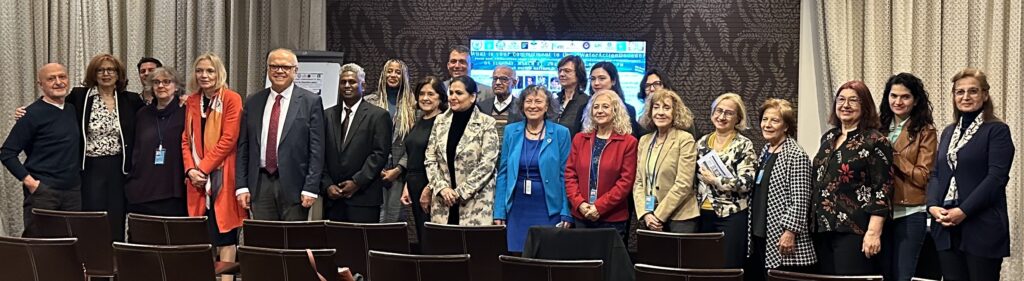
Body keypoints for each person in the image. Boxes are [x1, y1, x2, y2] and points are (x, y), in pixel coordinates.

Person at [927, 68, 1014, 281]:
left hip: (981, 226)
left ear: (984, 95)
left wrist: (963, 211)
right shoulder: (948, 131)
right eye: (960, 92)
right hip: (946, 226)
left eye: (973, 91)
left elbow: (996, 178)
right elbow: (937, 174)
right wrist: (932, 206)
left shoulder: (997, 130)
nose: (966, 97)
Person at [811, 80, 893, 275]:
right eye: (841, 100)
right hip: (822, 229)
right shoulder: (829, 138)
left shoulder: (875, 140)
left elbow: (883, 189)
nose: (845, 105)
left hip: (855, 230)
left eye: (853, 100)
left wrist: (873, 232)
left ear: (864, 106)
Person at [236, 48, 325, 221]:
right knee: (265, 242)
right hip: (260, 185)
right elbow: (244, 147)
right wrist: (241, 186)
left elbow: (317, 150)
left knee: (293, 242)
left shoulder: (310, 102)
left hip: (295, 186)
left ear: (295, 71)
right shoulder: (253, 101)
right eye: (274, 66)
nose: (279, 71)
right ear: (268, 70)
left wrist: (311, 187)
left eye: (285, 67)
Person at [181, 53, 246, 281]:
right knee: (204, 238)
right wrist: (191, 171)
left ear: (219, 73)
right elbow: (185, 140)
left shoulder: (231, 99)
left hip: (222, 177)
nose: (204, 75)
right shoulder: (191, 101)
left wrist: (203, 169)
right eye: (200, 71)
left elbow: (229, 139)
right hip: (197, 182)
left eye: (210, 71)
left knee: (226, 235)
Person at [67, 54, 144, 242]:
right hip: (91, 168)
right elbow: (55, 107)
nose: (106, 74)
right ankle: (93, 265)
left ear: (119, 74)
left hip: (119, 169)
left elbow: (153, 113)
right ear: (94, 74)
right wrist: (26, 111)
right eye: (100, 70)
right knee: (93, 217)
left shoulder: (130, 100)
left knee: (116, 217)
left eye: (111, 70)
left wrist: (181, 100)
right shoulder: (80, 97)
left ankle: (116, 264)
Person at [1, 63, 81, 237]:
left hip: (73, 193)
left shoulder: (72, 109)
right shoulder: (31, 114)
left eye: (62, 77)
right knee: (39, 247)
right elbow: (7, 153)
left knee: (71, 247)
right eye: (51, 79)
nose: (58, 82)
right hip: (43, 193)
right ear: (40, 85)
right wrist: (31, 183)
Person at [493, 85, 573, 252]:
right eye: (528, 101)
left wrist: (566, 211)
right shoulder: (511, 131)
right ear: (522, 105)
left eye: (538, 101)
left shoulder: (561, 133)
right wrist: (499, 211)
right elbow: (503, 174)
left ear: (547, 106)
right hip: (517, 209)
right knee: (518, 259)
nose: (533, 106)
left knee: (547, 257)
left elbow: (565, 175)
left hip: (549, 208)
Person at [745, 98, 816, 280]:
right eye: (765, 119)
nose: (767, 125)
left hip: (782, 237)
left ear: (786, 126)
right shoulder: (766, 151)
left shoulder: (796, 154)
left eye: (774, 120)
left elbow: (801, 199)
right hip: (762, 233)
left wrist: (790, 232)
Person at [878, 73, 937, 281]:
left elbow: (923, 177)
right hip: (880, 214)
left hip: (911, 212)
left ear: (916, 101)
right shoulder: (878, 128)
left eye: (905, 97)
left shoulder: (925, 131)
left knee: (903, 276)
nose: (898, 101)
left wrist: (894, 156)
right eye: (893, 96)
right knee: (882, 276)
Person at [322, 63, 393, 223]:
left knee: (361, 246)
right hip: (333, 199)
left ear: (363, 86)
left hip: (364, 197)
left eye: (352, 82)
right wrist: (327, 185)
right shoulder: (327, 115)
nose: (347, 85)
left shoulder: (378, 116)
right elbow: (320, 153)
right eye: (343, 82)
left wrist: (356, 182)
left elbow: (380, 154)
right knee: (334, 245)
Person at [424, 76, 499, 226]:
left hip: (474, 202)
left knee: (474, 248)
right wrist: (442, 188)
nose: (453, 97)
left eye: (459, 93)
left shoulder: (487, 123)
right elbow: (430, 158)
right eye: (451, 93)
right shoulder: (440, 121)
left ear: (472, 97)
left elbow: (487, 164)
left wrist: (459, 193)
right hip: (443, 201)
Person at [565, 89, 638, 242]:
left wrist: (599, 207)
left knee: (609, 264)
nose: (600, 111)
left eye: (605, 106)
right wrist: (580, 204)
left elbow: (625, 182)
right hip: (582, 215)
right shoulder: (579, 139)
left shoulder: (628, 142)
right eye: (596, 107)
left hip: (612, 218)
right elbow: (570, 175)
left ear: (615, 110)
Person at [695, 92, 756, 269]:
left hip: (731, 216)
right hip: (703, 214)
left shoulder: (744, 144)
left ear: (738, 118)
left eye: (729, 113)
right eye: (718, 111)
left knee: (729, 268)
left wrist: (716, 180)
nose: (722, 116)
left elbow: (746, 182)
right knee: (705, 267)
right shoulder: (702, 143)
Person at [631, 89, 697, 233]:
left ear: (675, 113)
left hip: (680, 218)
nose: (660, 112)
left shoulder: (685, 139)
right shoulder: (644, 141)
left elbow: (684, 184)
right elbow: (639, 182)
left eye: (666, 108)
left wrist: (658, 215)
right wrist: (646, 214)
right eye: (656, 107)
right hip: (650, 217)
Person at [124, 67, 187, 216]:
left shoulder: (186, 111)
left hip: (173, 191)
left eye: (166, 82)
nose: (161, 86)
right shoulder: (142, 114)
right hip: (142, 191)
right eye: (156, 82)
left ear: (176, 86)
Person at [365, 59, 417, 223]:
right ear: (383, 74)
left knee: (394, 217)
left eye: (398, 72)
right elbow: (362, 139)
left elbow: (414, 142)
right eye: (389, 71)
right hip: (373, 169)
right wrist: (375, 166)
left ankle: (389, 249)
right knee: (375, 216)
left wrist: (399, 168)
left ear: (404, 77)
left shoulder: (412, 105)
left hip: (399, 171)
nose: (393, 75)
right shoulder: (369, 102)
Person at [399, 76, 448, 250]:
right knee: (421, 234)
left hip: (432, 186)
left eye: (431, 94)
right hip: (414, 183)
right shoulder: (420, 120)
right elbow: (413, 155)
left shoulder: (443, 123)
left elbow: (443, 161)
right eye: (421, 94)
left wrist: (429, 188)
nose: (425, 98)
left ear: (441, 97)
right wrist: (407, 184)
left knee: (433, 238)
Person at [589, 61, 642, 139]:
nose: (596, 83)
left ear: (613, 81)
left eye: (602, 78)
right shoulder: (583, 108)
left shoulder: (628, 110)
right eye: (593, 79)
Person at [554, 55, 589, 137]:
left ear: (578, 74)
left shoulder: (586, 102)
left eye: (567, 71)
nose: (562, 74)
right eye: (560, 71)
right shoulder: (554, 100)